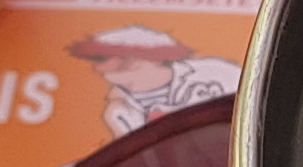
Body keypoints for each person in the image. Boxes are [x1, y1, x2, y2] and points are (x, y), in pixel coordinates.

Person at [69, 25, 241, 138]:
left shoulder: (215, 72)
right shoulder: (119, 112)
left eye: (127, 60)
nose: (104, 69)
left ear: (156, 58)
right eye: (100, 60)